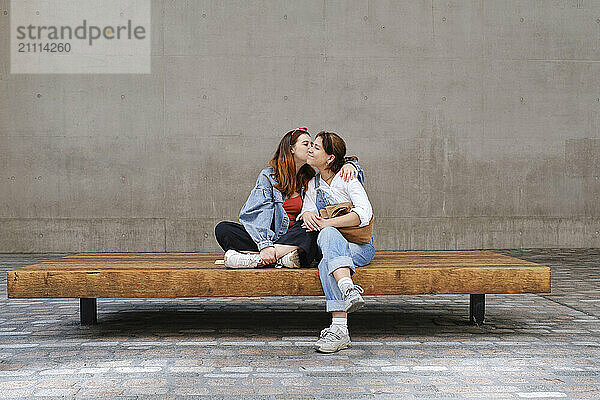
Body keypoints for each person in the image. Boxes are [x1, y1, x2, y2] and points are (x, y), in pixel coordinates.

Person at [214, 127, 362, 268]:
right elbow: (258, 213)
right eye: (306, 144)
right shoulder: (269, 177)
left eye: (312, 145)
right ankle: (283, 257)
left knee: (310, 225)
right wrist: (265, 244)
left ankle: (258, 259)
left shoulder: (312, 179)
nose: (310, 149)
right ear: (291, 148)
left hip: (300, 237)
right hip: (273, 238)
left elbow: (335, 163)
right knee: (224, 229)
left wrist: (350, 164)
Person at [298, 131, 375, 353]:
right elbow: (306, 211)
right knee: (327, 259)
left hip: (359, 247)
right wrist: (307, 216)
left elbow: (364, 214)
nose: (310, 149)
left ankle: (339, 329)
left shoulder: (347, 177)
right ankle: (348, 289)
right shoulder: (314, 184)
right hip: (335, 249)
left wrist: (328, 223)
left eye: (316, 147)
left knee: (328, 242)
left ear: (330, 158)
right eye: (309, 145)